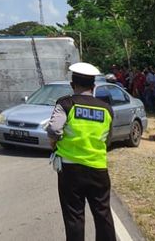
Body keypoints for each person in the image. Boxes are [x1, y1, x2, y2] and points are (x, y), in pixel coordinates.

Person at [47, 62, 116, 241]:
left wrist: (54, 145)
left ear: (72, 85)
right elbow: (108, 139)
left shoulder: (66, 103)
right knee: (103, 214)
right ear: (93, 86)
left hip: (70, 170)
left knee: (74, 216)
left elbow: (54, 130)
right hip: (98, 168)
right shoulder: (106, 108)